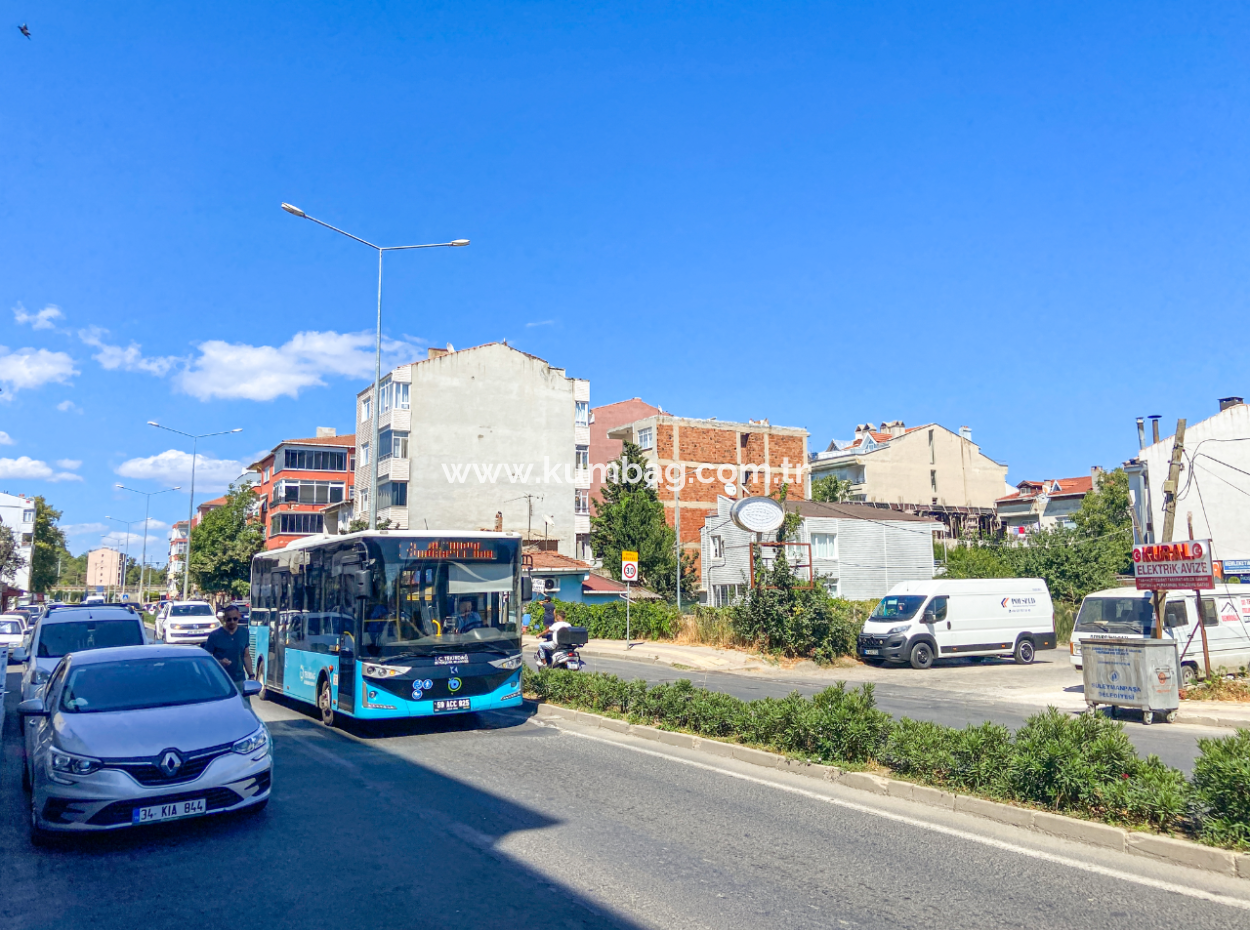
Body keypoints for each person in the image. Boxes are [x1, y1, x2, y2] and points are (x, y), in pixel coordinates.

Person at [203, 604, 254, 694]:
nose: (232, 622)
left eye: (235, 619)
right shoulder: (215, 636)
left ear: (239, 616)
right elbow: (206, 660)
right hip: (220, 680)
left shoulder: (244, 632)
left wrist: (251, 675)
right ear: (224, 619)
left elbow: (246, 655)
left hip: (239, 680)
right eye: (229, 619)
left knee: (243, 706)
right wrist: (220, 662)